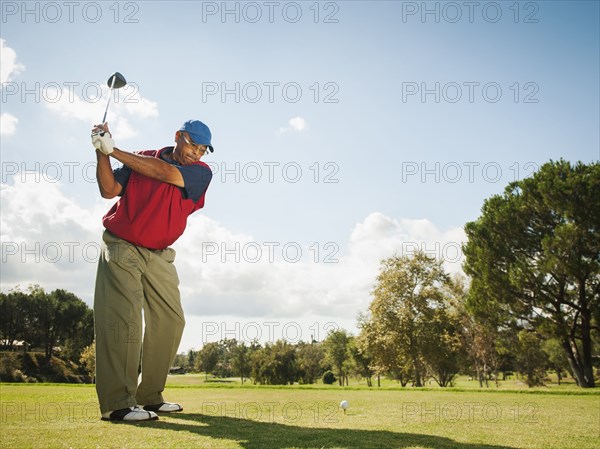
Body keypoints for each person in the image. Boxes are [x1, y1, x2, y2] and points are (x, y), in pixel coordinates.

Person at [91, 120, 214, 422]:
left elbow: (165, 173)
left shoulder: (201, 172)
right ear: (177, 137)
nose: (196, 153)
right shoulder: (140, 158)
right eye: (192, 145)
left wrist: (115, 149)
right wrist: (101, 152)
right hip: (123, 245)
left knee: (172, 321)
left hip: (160, 254)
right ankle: (117, 404)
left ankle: (149, 397)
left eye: (201, 149)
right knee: (124, 319)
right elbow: (109, 190)